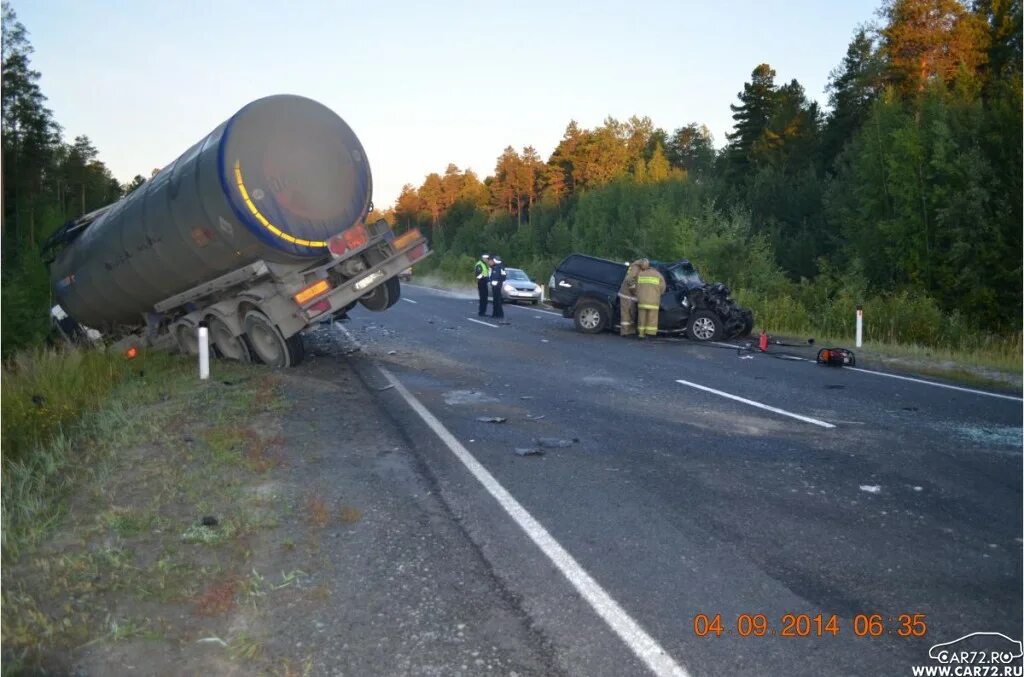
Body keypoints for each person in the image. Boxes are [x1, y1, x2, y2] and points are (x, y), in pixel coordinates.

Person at [635, 258, 665, 339]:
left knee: (641, 318)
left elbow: (636, 287)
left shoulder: (641, 274)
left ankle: (641, 334)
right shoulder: (659, 276)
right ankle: (650, 334)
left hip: (642, 300)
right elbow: (662, 289)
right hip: (653, 301)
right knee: (652, 318)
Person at [617, 259, 642, 336]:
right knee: (626, 314)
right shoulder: (636, 267)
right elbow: (629, 279)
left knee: (631, 314)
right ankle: (624, 332)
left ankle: (630, 331)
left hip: (630, 296)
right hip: (627, 295)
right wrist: (634, 289)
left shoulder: (635, 267)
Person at [489, 255, 507, 321]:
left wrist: (498, 281)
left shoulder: (501, 267)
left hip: (497, 286)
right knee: (495, 300)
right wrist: (491, 281)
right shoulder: (495, 267)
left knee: (497, 301)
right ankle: (495, 314)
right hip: (494, 285)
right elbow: (492, 276)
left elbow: (504, 277)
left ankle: (499, 314)